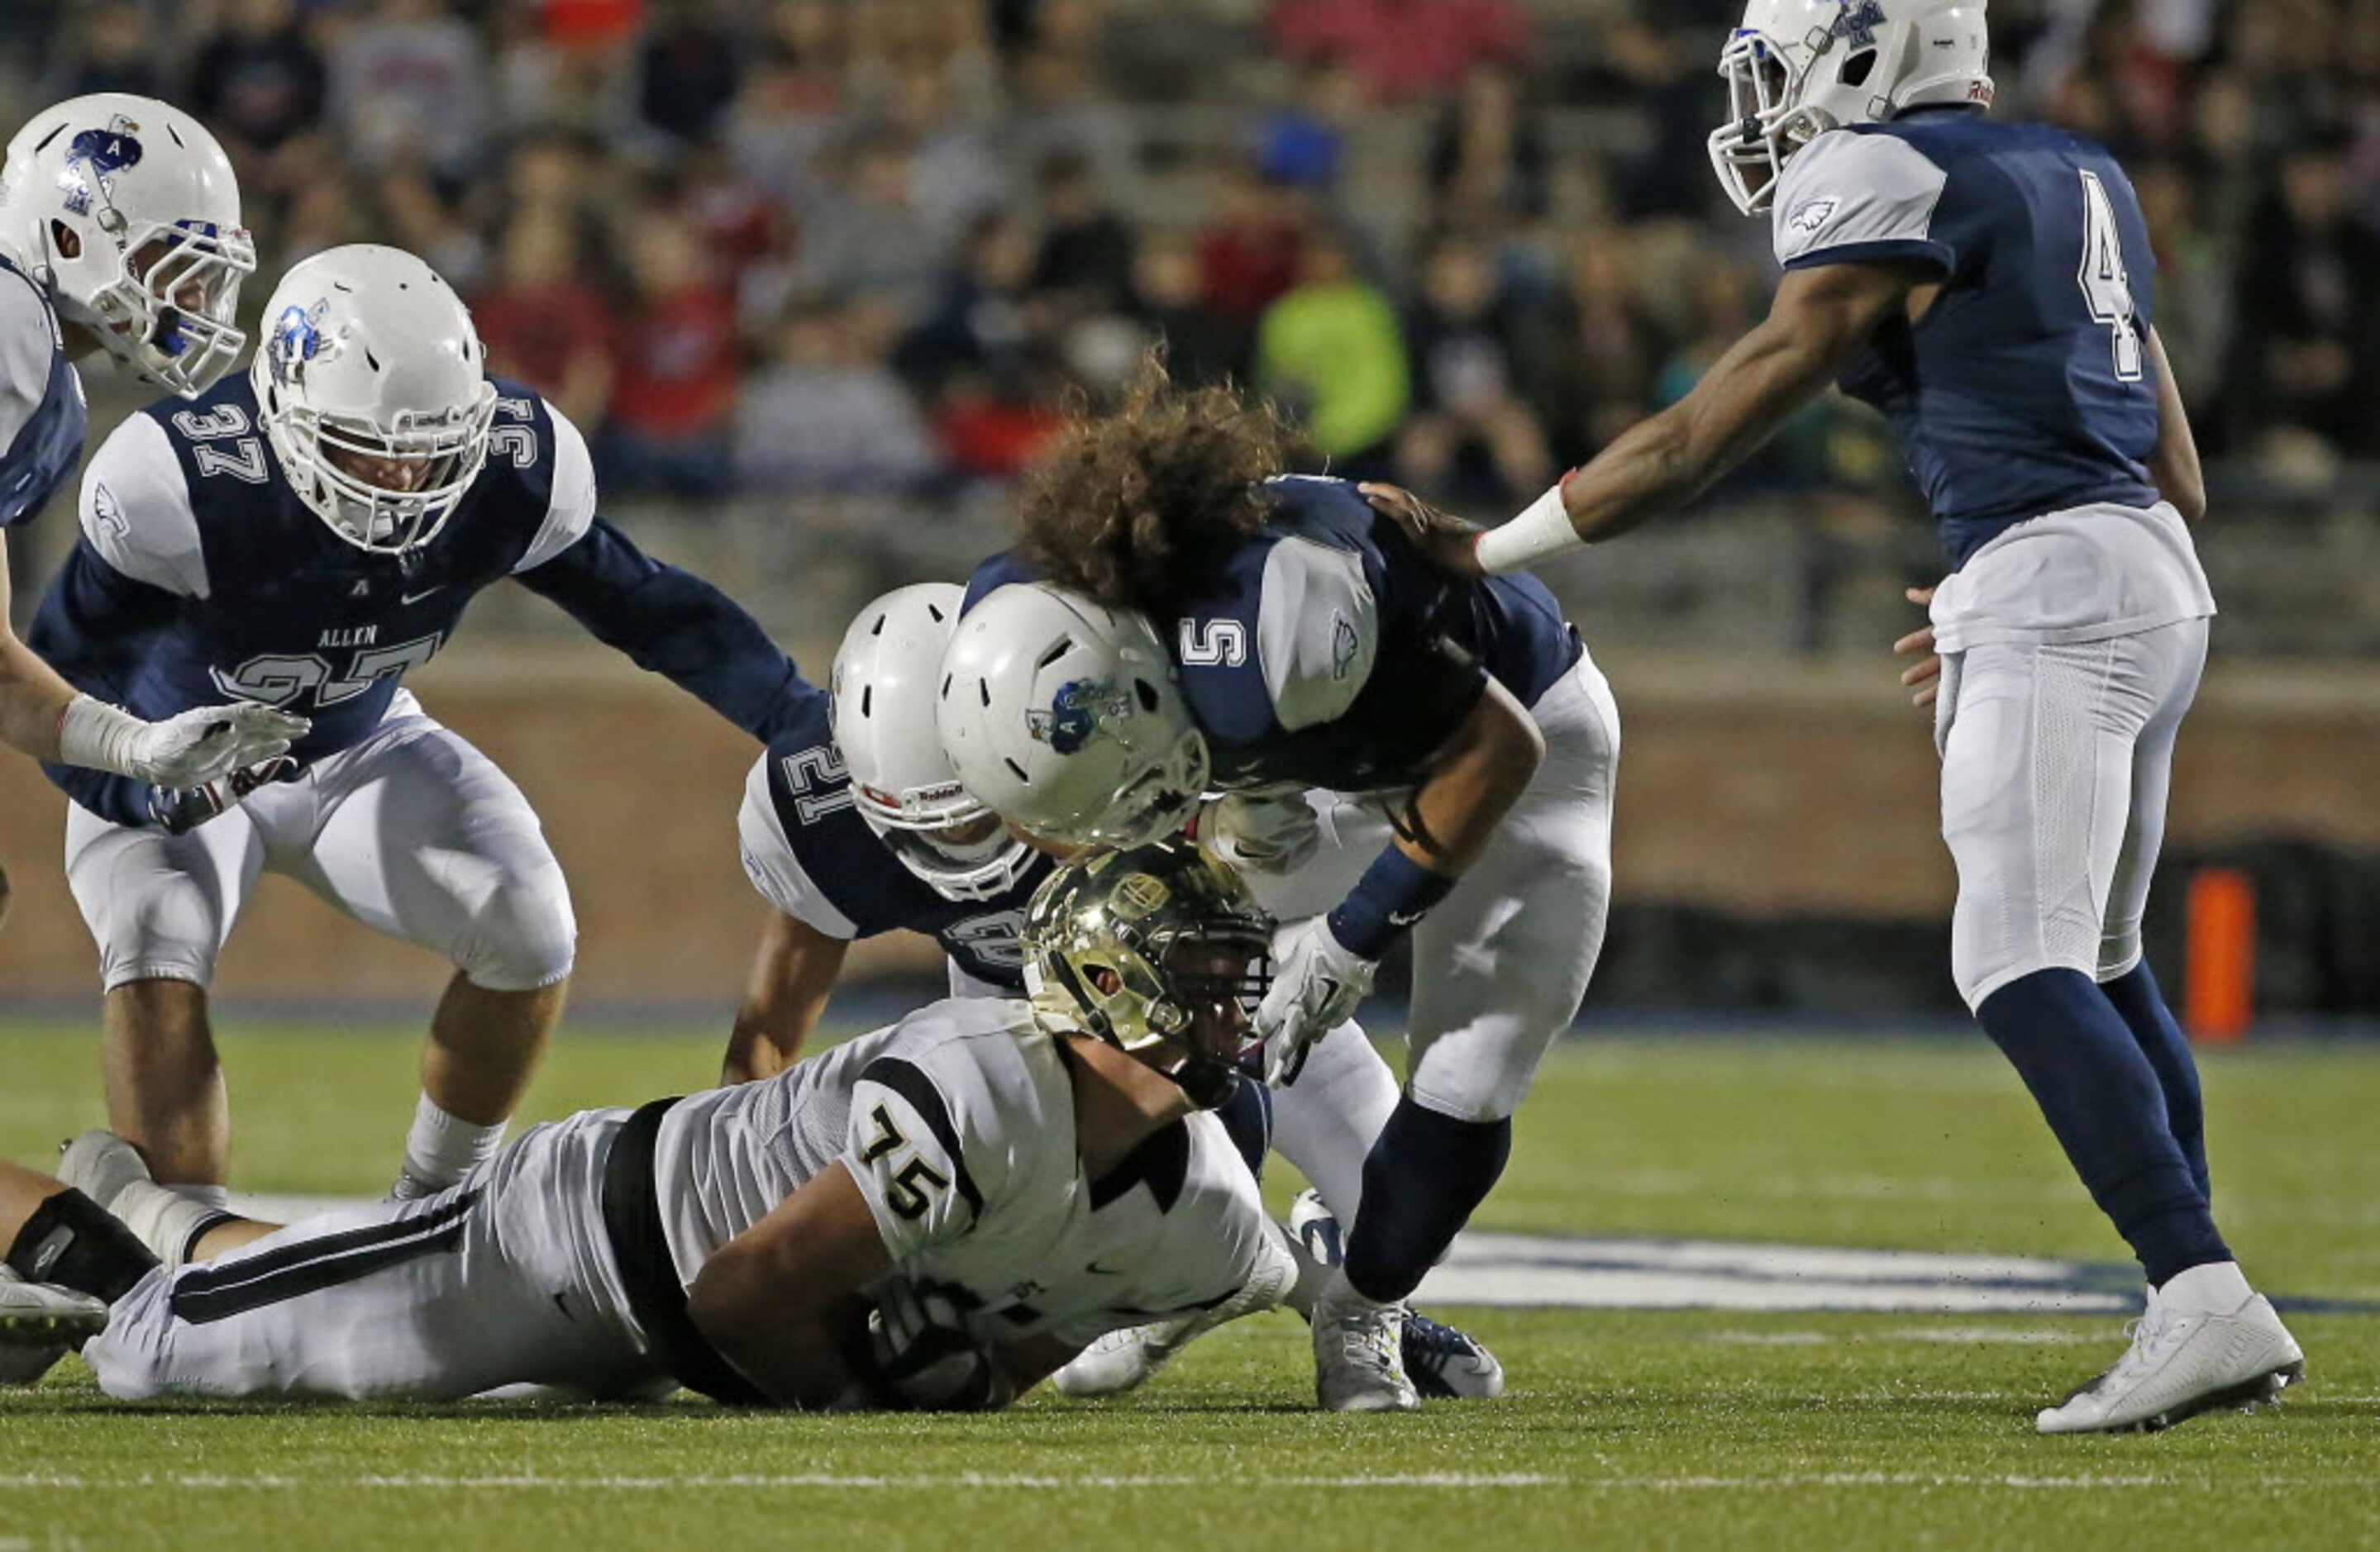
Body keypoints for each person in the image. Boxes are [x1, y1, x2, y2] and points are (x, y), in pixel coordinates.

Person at [1376, 0, 2300, 1435]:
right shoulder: (2076, 171)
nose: (1759, 103)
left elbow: (1702, 430)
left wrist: (1483, 549)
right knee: (2103, 956)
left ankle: (2196, 1291)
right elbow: (2168, 465)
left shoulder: (1877, 174)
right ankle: (2191, 1291)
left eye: (1777, 63)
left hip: (2061, 575)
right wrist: (2015, 577)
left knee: (2011, 955)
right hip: (2144, 572)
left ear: (1865, 48)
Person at [25, 244, 808, 1220]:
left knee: (529, 924)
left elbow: (651, 610)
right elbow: (56, 688)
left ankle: (437, 1212)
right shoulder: (179, 480)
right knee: (154, 940)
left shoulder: (511, 465)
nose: (402, 473)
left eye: (433, 445)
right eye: (367, 445)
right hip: (170, 751)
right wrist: (141, 780)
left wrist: (799, 720)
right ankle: (179, 1240)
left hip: (361, 739)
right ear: (284, 415)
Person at [0, 842, 1300, 1412]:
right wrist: (858, 1396)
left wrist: (953, 1377)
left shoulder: (1202, 1221)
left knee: (296, 1278)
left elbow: (1005, 1363)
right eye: (1201, 966)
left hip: (659, 1308)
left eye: (1238, 967)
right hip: (575, 1242)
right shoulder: (981, 1085)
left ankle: (152, 1207)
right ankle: (87, 1244)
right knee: (154, 1348)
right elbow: (746, 1295)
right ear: (1101, 975)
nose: (1234, 996)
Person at [940, 364, 1619, 1412]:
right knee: (1161, 991)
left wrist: (1350, 939)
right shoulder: (1026, 606)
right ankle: (1192, 1274)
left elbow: (1496, 748)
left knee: (1471, 1075)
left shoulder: (1276, 626)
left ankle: (1360, 1308)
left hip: (1511, 741)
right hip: (1301, 763)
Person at [729, 583, 1502, 1399]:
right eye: (931, 820)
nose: (964, 838)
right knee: (1061, 1279)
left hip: (1225, 993)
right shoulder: (823, 823)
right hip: (1032, 1027)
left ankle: (1334, 1273)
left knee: (1408, 1210)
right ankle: (1309, 1298)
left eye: (978, 801)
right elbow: (769, 1025)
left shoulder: (1104, 722)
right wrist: (739, 1211)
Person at [0, 95, 303, 817]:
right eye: (169, 257)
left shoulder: (37, 358)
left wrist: (139, 748)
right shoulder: (11, 323)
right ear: (72, 238)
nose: (197, 294)